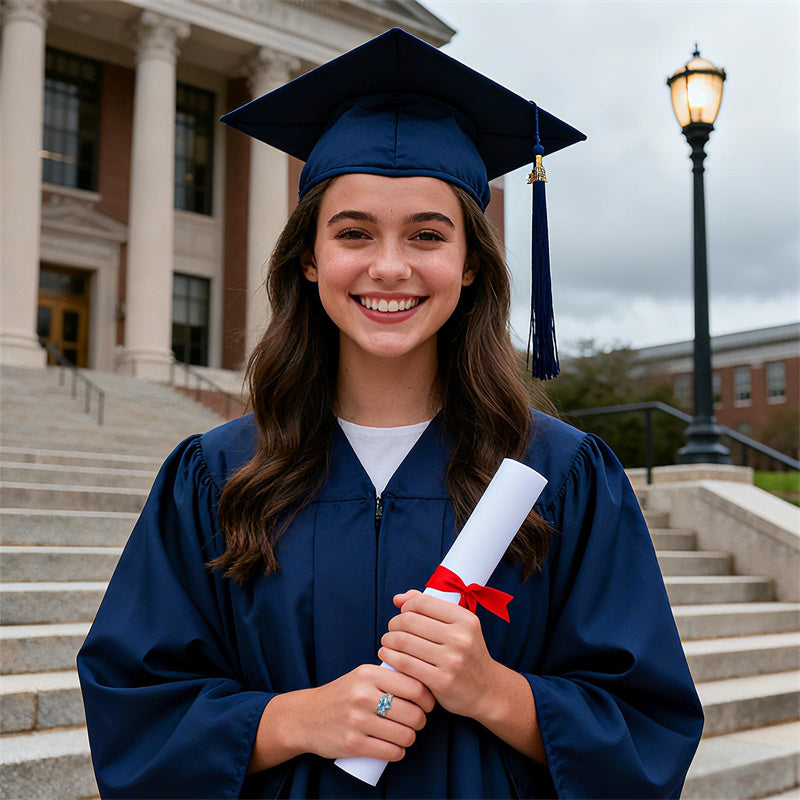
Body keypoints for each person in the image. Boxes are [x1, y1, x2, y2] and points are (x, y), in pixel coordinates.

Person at [77, 28, 703, 799]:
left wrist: (493, 692)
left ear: (471, 263)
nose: (389, 266)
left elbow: (649, 725)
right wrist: (293, 720)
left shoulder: (560, 475)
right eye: (354, 233)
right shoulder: (218, 476)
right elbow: (132, 708)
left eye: (428, 235)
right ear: (309, 258)